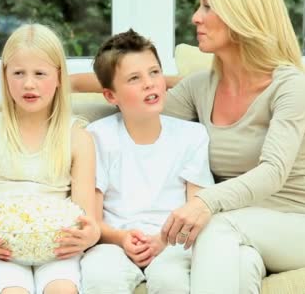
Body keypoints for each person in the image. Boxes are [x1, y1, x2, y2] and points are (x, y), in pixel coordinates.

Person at [156, 0, 305, 294]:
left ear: (241, 15)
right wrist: (57, 80)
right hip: (241, 229)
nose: (195, 18)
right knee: (196, 267)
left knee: (215, 227)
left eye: (208, 7)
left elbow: (273, 171)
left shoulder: (290, 87)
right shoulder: (199, 87)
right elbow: (137, 106)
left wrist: (205, 202)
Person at [0, 23, 100, 294]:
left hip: (58, 247)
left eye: (40, 73)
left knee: (61, 290)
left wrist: (88, 235)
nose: (29, 83)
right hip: (2, 248)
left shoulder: (78, 137)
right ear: (4, 76)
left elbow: (88, 217)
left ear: (59, 77)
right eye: (18, 73)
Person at [79, 29, 214, 294]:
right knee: (100, 278)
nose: (150, 83)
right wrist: (121, 239)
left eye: (154, 73)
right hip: (113, 242)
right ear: (110, 96)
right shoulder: (97, 137)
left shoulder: (192, 135)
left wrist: (163, 241)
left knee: (171, 281)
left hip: (172, 242)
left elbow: (198, 210)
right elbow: (91, 219)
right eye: (134, 78)